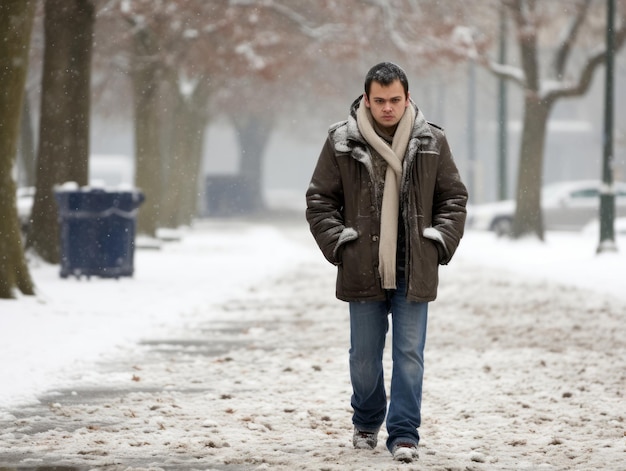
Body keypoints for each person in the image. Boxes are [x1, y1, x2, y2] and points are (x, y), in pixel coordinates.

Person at [305, 62, 468, 463]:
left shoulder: (431, 140)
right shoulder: (341, 141)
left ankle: (404, 434)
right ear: (366, 98)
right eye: (379, 101)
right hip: (362, 264)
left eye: (395, 99)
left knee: (409, 355)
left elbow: (454, 199)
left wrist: (438, 241)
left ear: (407, 97)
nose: (388, 108)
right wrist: (340, 244)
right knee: (363, 356)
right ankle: (366, 420)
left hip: (414, 265)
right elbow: (319, 201)